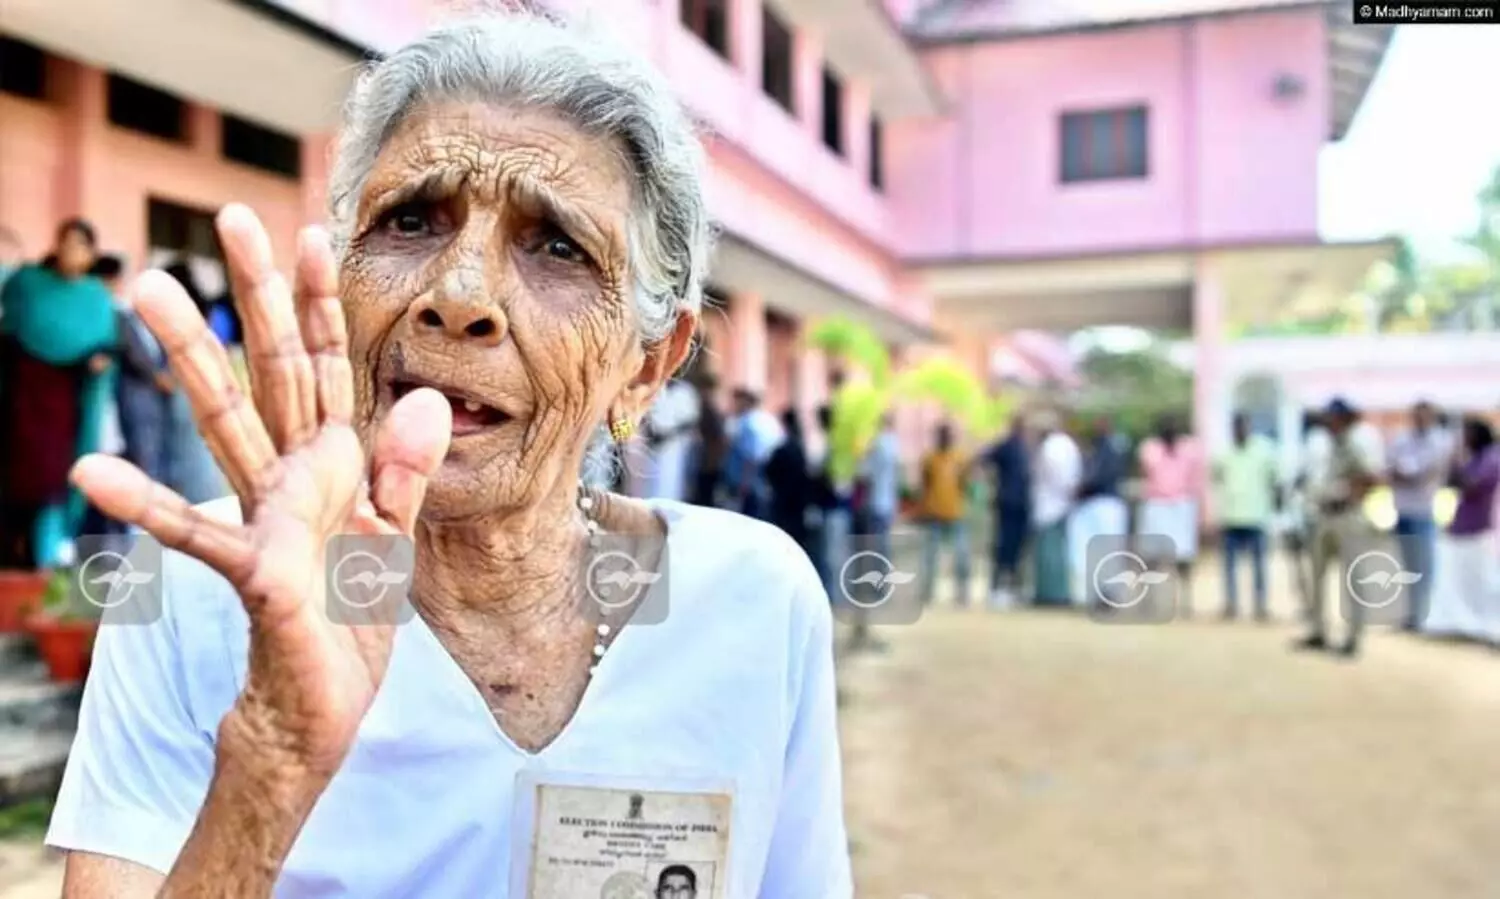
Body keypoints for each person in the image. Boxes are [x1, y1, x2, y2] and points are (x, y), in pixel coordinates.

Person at [46, 14, 850, 897]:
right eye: (411, 221)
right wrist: (272, 763)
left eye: (557, 246)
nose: (459, 295)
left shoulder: (750, 599)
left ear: (647, 365)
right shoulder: (196, 589)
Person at [0, 218, 117, 569]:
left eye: (80, 245)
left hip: (64, 412)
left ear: (91, 254)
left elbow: (106, 349)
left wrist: (97, 361)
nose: (72, 251)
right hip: (20, 406)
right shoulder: (29, 287)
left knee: (54, 488)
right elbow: (9, 332)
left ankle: (47, 566)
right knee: (15, 488)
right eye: (66, 242)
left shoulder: (96, 300)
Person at [1295, 397, 1384, 658]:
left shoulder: (1357, 442)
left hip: (1347, 516)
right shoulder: (1332, 444)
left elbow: (1372, 478)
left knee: (1354, 579)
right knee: (1317, 576)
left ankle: (1353, 637)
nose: (1327, 421)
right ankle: (1318, 631)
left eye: (1332, 417)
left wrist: (1348, 497)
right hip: (1325, 515)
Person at [159, 261, 229, 505]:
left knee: (183, 444)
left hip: (183, 382)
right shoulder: (208, 310)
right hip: (206, 381)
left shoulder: (171, 312)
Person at [1428, 417, 1500, 641]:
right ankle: (1464, 623)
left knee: (1484, 582)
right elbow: (1451, 483)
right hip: (1464, 527)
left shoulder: (1492, 459)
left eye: (1467, 433)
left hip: (1480, 530)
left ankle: (1488, 626)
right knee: (1461, 581)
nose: (1464, 438)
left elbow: (1471, 486)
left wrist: (1458, 461)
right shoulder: (1475, 458)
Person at [1387, 400, 1452, 630]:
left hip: (1424, 511)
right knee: (1408, 568)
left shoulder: (1441, 440)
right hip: (1403, 509)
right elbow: (1392, 470)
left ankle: (1424, 617)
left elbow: (1423, 473)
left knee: (1424, 567)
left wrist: (1407, 475)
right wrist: (1406, 475)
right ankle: (1411, 615)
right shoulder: (1402, 439)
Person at [1136, 414, 1206, 616]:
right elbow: (1145, 473)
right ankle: (1149, 600)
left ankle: (1185, 601)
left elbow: (1197, 481)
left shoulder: (1191, 450)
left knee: (1183, 557)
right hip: (1156, 504)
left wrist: (1202, 512)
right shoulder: (1149, 449)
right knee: (1151, 557)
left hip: (1181, 506)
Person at [1213, 412, 1279, 621]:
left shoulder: (1264, 451)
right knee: (1229, 566)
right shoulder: (1223, 454)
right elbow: (1216, 479)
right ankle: (1231, 604)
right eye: (1237, 427)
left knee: (1259, 565)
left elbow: (1274, 479)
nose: (1240, 430)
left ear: (1249, 428)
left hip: (1256, 516)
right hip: (1231, 516)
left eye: (1244, 426)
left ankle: (1260, 606)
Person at [1069, 415, 1128, 607]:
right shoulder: (1097, 448)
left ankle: (1108, 593)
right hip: (1096, 504)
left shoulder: (1112, 448)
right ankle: (1097, 593)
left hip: (1107, 503)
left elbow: (1100, 476)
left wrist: (1082, 488)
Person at [975, 417, 1030, 608]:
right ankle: (1000, 588)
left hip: (1018, 505)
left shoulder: (1023, 449)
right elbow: (983, 458)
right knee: (1006, 547)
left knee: (1012, 548)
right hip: (1011, 504)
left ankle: (1008, 588)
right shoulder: (1011, 448)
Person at [917, 423, 972, 606]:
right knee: (930, 555)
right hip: (934, 513)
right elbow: (925, 484)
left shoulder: (959, 458)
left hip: (955, 512)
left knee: (961, 555)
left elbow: (965, 483)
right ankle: (927, 592)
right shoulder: (930, 459)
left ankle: (962, 593)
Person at [1030, 410, 1080, 607]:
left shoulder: (1053, 447)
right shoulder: (1066, 444)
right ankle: (1055, 592)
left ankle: (1051, 594)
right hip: (1061, 504)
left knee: (1049, 554)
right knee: (1057, 552)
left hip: (1050, 506)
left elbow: (1058, 477)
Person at [764, 408, 815, 554]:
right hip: (796, 502)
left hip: (785, 501)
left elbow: (769, 470)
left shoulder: (785, 448)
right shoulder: (799, 447)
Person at [724, 387, 780, 520]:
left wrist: (744, 483)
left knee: (747, 518)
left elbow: (751, 455)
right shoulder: (768, 419)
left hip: (748, 480)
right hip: (762, 477)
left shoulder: (748, 422)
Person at [641, 376, 699, 502]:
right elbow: (643, 416)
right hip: (650, 446)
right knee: (647, 490)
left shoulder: (685, 392)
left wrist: (668, 435)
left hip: (675, 448)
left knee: (670, 487)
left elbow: (691, 421)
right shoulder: (653, 388)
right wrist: (650, 433)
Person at [685, 370, 727, 508]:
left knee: (704, 498)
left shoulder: (708, 409)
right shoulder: (710, 408)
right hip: (707, 461)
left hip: (708, 463)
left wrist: (711, 461)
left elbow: (717, 439)